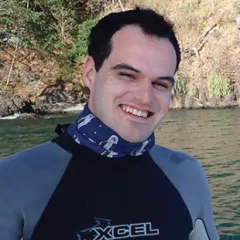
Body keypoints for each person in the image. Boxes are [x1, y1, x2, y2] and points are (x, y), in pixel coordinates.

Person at [0, 7, 219, 240]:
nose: (145, 97)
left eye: (160, 84)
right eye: (127, 75)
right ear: (90, 74)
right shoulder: (12, 180)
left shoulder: (186, 174)